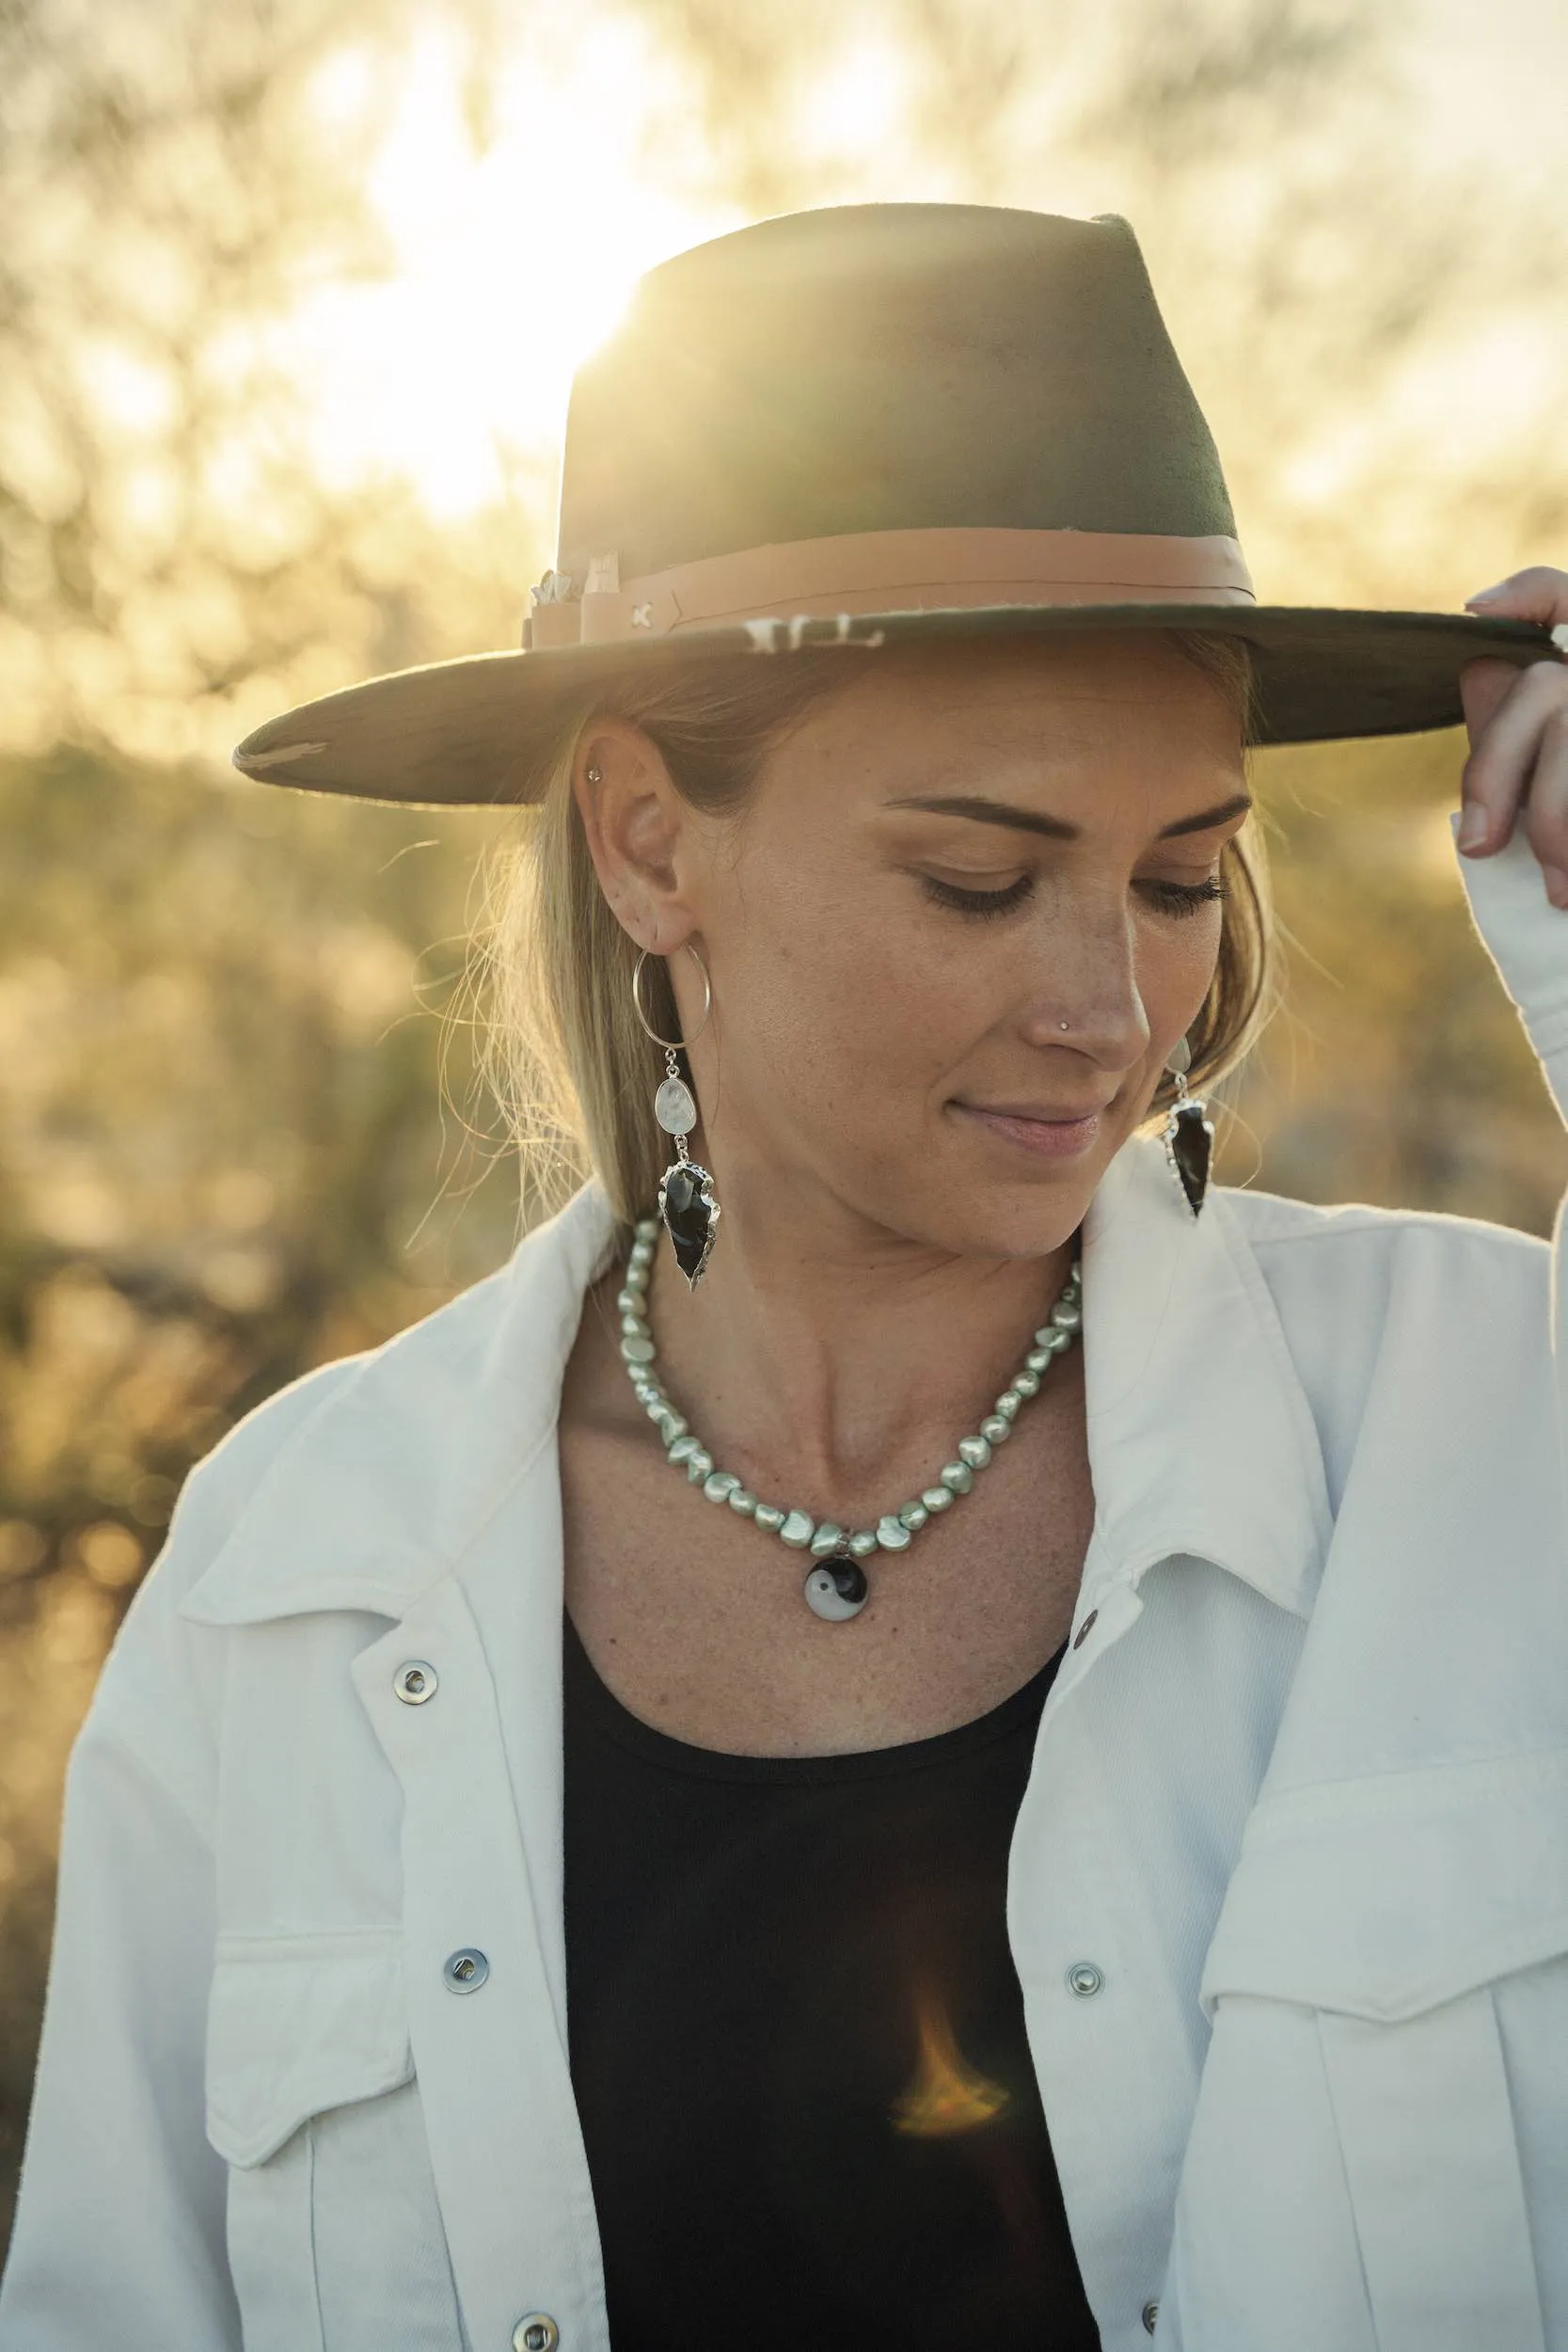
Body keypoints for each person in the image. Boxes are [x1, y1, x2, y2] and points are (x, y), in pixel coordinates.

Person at [2, 203, 1566, 2352]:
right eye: (977, 876)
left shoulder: (1489, 1418)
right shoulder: (293, 1573)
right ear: (647, 840)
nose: (1114, 1006)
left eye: (1178, 874)